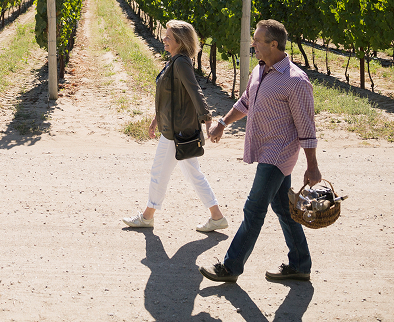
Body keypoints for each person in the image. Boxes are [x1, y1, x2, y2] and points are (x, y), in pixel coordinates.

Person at [199, 19, 321, 284]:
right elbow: (246, 101)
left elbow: (306, 126)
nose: (252, 44)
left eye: (257, 40)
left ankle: (230, 267)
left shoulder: (296, 81)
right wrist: (222, 123)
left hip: (278, 154)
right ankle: (300, 264)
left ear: (273, 44)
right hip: (264, 148)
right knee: (284, 208)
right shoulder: (259, 70)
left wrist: (312, 166)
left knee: (254, 209)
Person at [123, 20, 228, 233]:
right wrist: (156, 119)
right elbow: (170, 97)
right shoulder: (175, 61)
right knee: (191, 174)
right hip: (175, 128)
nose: (164, 39)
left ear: (179, 41)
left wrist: (208, 120)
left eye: (168, 37)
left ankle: (147, 216)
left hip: (176, 132)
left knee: (159, 172)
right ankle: (217, 216)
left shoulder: (180, 62)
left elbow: (195, 91)